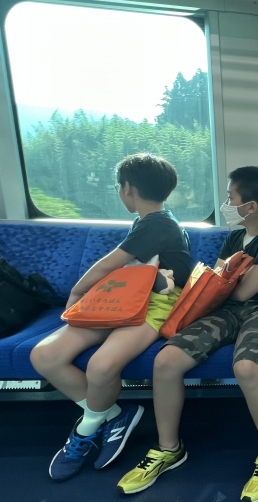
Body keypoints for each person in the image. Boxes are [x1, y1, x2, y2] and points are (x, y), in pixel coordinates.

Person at [117, 166, 258, 500]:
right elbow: (218, 283)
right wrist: (233, 281)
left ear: (251, 206)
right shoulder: (234, 239)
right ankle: (169, 448)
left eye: (231, 198)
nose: (226, 204)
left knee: (247, 367)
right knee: (166, 361)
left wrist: (233, 281)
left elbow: (242, 290)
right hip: (226, 310)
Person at [30, 153, 192, 481]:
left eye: (119, 187)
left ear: (128, 188)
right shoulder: (146, 223)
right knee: (45, 356)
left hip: (155, 304)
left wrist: (76, 294)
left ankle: (85, 429)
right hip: (122, 299)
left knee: (101, 366)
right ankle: (116, 414)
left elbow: (108, 264)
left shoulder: (159, 223)